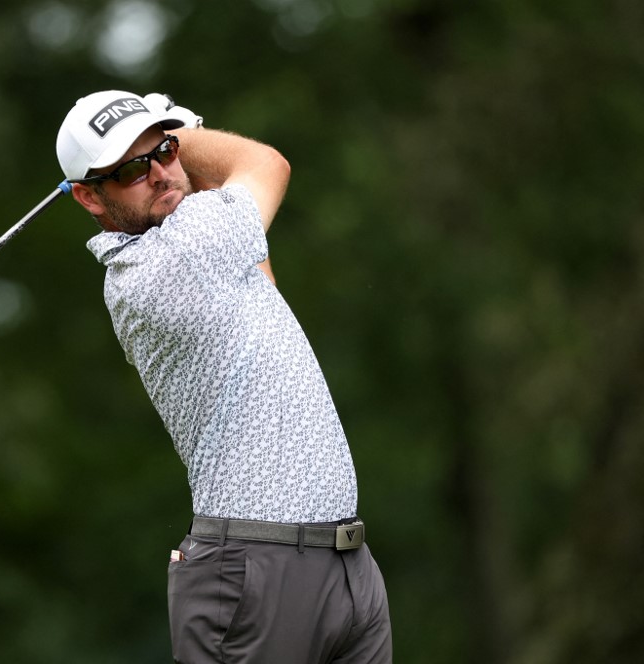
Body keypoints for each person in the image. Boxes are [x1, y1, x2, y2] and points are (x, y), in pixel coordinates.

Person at [56, 90, 392, 663]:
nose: (161, 172)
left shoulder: (209, 246)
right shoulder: (162, 267)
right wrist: (187, 130)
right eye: (134, 168)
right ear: (88, 196)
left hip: (345, 565)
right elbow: (267, 166)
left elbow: (261, 272)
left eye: (164, 151)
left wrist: (172, 142)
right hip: (256, 572)